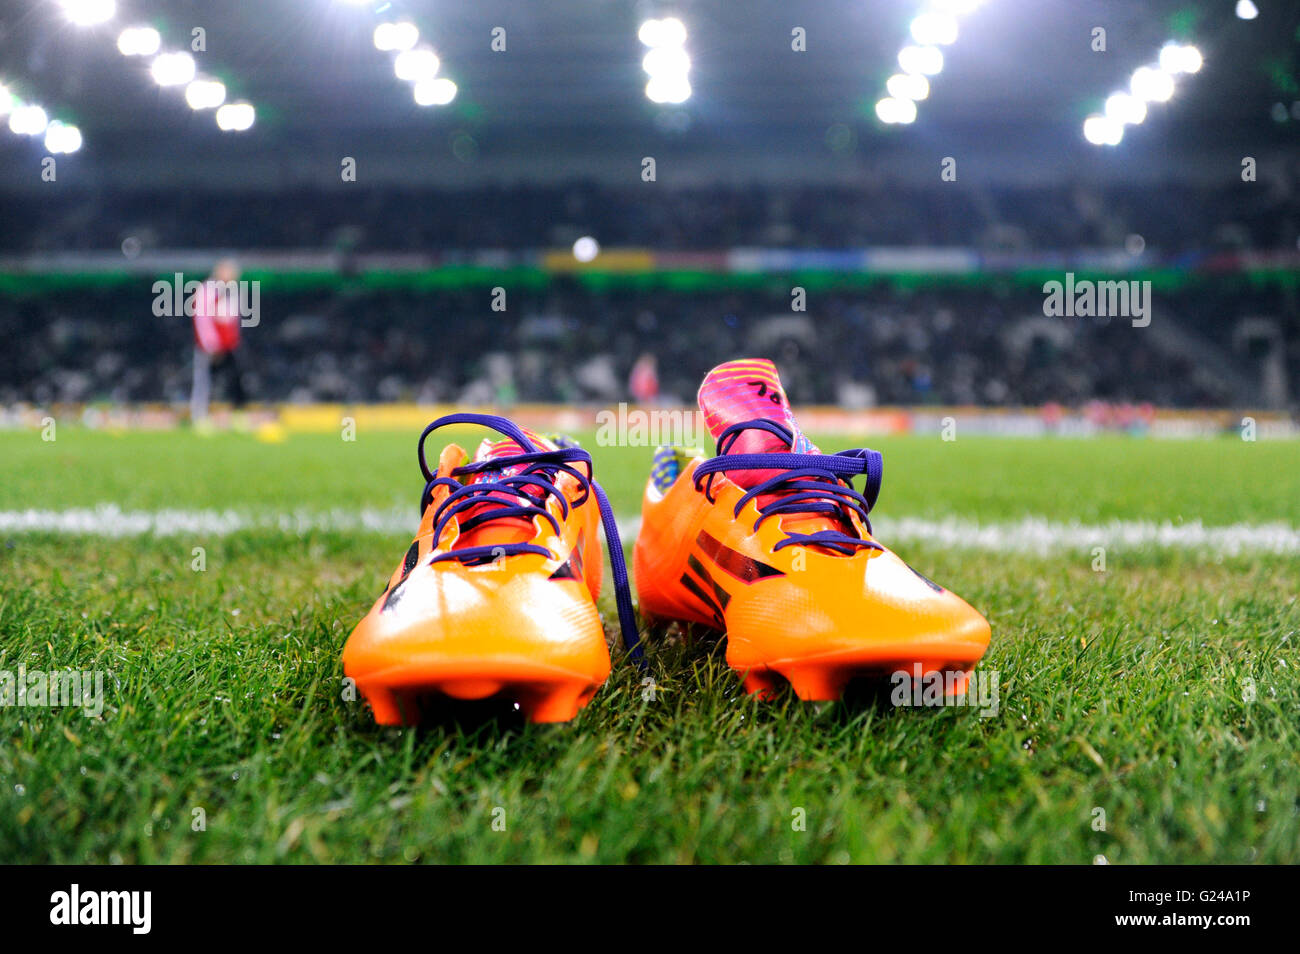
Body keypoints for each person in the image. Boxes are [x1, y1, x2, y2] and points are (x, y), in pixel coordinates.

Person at [190, 259, 246, 423]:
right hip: (210, 346)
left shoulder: (233, 291)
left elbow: (233, 319)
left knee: (235, 380)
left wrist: (234, 341)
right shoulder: (207, 290)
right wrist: (210, 344)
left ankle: (237, 415)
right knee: (204, 380)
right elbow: (202, 319)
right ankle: (199, 417)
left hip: (229, 345)